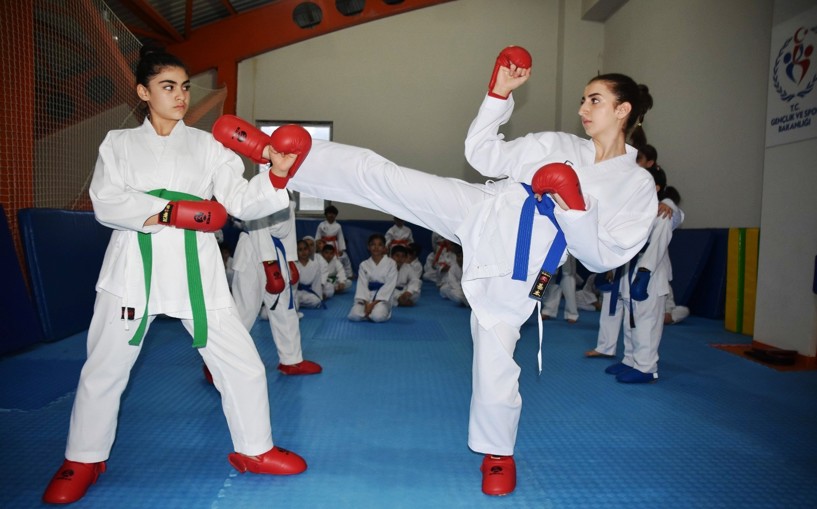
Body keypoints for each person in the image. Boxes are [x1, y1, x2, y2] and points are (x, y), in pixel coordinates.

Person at [232, 46, 657, 496]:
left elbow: (600, 257)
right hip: (483, 209)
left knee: (495, 354)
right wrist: (498, 95)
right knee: (389, 177)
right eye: (583, 99)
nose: (582, 109)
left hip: (524, 264)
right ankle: (288, 164)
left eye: (594, 100)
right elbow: (483, 155)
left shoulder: (636, 185)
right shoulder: (557, 144)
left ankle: (498, 454)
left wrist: (573, 205)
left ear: (622, 109)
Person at [42, 47, 312, 505]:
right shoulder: (118, 143)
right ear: (144, 92)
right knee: (105, 367)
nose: (181, 95)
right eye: (168, 86)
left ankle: (255, 449)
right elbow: (107, 202)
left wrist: (276, 175)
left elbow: (242, 202)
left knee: (241, 363)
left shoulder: (209, 146)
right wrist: (171, 210)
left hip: (196, 271)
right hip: (133, 269)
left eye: (185, 86)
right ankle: (84, 457)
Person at [593, 165, 684, 383]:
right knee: (630, 321)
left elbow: (659, 243)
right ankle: (630, 359)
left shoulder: (664, 211)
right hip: (628, 271)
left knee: (646, 321)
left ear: (656, 187)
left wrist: (645, 272)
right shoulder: (636, 211)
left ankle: (646, 367)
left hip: (649, 275)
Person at [229, 201, 322, 376]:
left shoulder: (288, 191)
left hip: (277, 250)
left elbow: (288, 229)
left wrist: (290, 260)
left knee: (286, 308)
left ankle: (291, 360)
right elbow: (258, 224)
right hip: (253, 251)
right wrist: (269, 264)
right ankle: (219, 363)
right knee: (245, 310)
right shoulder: (262, 187)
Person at [349, 233, 398, 322]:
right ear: (368, 247)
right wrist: (367, 303)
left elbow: (389, 285)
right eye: (373, 244)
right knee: (354, 315)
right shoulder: (364, 265)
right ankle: (368, 313)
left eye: (380, 245)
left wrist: (373, 304)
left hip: (382, 299)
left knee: (377, 317)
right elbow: (362, 285)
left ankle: (371, 313)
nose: (376, 247)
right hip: (367, 297)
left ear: (384, 248)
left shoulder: (391, 264)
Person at [315, 204, 354, 278]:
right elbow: (317, 237)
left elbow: (340, 238)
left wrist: (341, 249)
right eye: (329, 213)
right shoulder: (321, 225)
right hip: (323, 245)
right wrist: (317, 246)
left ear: (335, 215)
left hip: (334, 245)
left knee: (339, 258)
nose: (331, 215)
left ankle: (342, 274)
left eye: (333, 214)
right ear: (326, 215)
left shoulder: (338, 226)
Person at [540, 254, 580, 323]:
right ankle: (548, 311)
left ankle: (572, 315)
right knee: (552, 290)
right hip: (554, 268)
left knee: (570, 294)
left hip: (567, 270)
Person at [294, 238, 329, 309]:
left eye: (305, 249)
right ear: (296, 252)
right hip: (295, 292)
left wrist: (319, 297)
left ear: (309, 250)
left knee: (316, 301)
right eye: (300, 250)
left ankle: (297, 304)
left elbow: (316, 285)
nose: (303, 252)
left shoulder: (315, 265)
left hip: (308, 293)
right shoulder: (293, 265)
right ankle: (296, 303)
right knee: (294, 299)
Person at [439, 243, 469, 307]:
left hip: (467, 289)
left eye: (462, 256)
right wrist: (459, 290)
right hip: (458, 289)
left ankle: (467, 300)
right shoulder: (453, 268)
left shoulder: (469, 267)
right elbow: (452, 282)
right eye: (458, 256)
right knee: (444, 289)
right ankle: (466, 300)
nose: (460, 258)